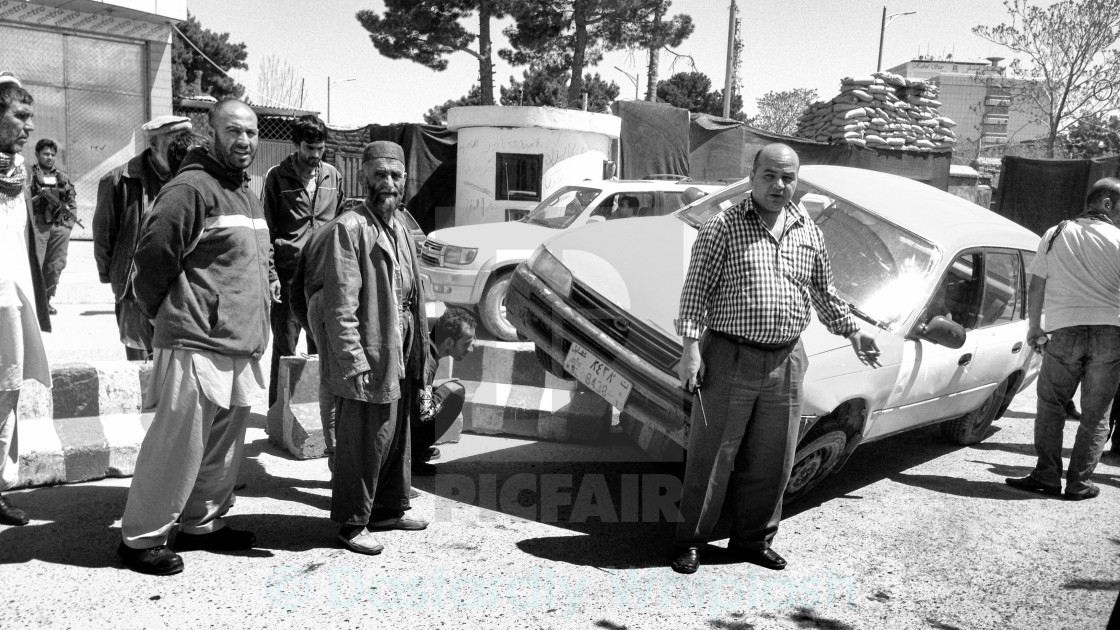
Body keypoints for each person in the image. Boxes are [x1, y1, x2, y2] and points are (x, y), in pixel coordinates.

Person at [671, 143, 880, 575]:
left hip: (786, 360)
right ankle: (692, 540)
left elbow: (823, 292)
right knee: (712, 456)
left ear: (796, 182)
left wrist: (853, 331)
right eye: (769, 175)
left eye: (787, 178)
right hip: (728, 355)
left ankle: (752, 539)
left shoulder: (809, 230)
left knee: (774, 458)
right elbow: (696, 293)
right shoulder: (723, 226)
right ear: (752, 177)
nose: (778, 185)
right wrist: (691, 349)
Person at [116, 100, 278, 575]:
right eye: (233, 131)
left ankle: (200, 525)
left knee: (223, 447)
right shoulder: (190, 188)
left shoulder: (247, 194)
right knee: (176, 445)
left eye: (250, 132)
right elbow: (150, 262)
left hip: (241, 341)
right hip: (194, 341)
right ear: (212, 133)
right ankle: (140, 538)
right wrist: (165, 314)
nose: (244, 141)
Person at [293, 140, 428, 556]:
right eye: (379, 175)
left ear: (405, 180)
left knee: (396, 430)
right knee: (363, 436)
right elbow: (339, 304)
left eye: (395, 175)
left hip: (400, 339)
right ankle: (352, 523)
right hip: (372, 342)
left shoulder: (401, 226)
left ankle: (389, 507)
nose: (388, 183)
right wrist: (353, 357)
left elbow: (415, 294)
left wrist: (423, 352)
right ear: (363, 176)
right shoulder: (348, 229)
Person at [1005, 177, 1120, 501]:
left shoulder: (1055, 234)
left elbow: (1037, 284)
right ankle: (1079, 483)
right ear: (1107, 203)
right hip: (1111, 333)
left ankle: (1047, 474)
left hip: (1064, 331)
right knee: (1097, 413)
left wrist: (1034, 327)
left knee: (1052, 404)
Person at [94, 114, 194, 360]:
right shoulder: (119, 180)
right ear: (154, 145)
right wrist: (112, 276)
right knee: (141, 365)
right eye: (174, 143)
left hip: (178, 288)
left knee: (175, 363)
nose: (182, 150)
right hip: (133, 289)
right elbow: (104, 234)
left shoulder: (192, 179)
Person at [261, 114, 343, 408]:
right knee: (285, 348)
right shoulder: (277, 177)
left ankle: (315, 413)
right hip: (287, 277)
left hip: (323, 278)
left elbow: (340, 226)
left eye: (320, 148)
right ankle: (277, 413)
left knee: (322, 347)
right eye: (309, 148)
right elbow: (265, 231)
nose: (315, 155)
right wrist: (271, 276)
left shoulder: (333, 177)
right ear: (296, 145)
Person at [0, 72, 50, 527]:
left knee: (7, 392)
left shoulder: (19, 173)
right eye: (20, 115)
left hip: (13, 301)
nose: (29, 127)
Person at [413, 308, 476, 476]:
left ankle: (414, 450)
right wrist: (447, 389)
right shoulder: (427, 361)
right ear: (449, 343)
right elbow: (423, 414)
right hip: (400, 431)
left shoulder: (424, 347)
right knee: (456, 393)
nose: (470, 349)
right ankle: (411, 456)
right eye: (466, 343)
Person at [27, 138, 76, 315]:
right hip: (37, 227)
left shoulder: (62, 177)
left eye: (52, 155)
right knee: (35, 264)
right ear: (37, 155)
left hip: (58, 227)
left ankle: (46, 301)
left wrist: (68, 225)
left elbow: (71, 201)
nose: (49, 157)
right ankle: (33, 302)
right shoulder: (29, 176)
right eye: (46, 154)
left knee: (56, 265)